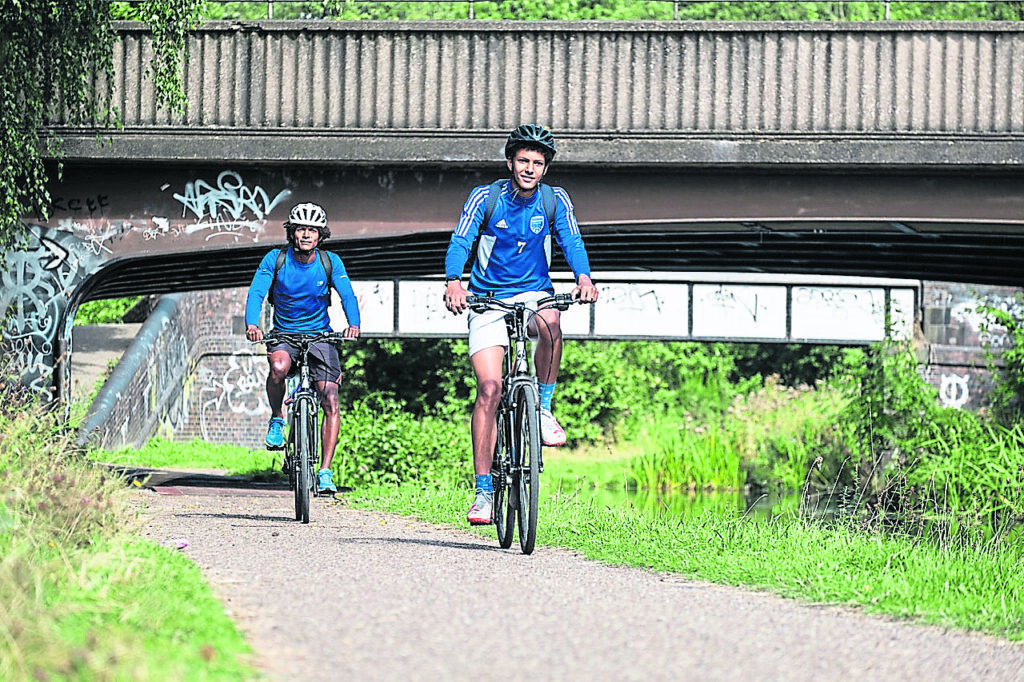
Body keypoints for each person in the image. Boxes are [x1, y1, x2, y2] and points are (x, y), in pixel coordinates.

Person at [443, 124, 599, 525]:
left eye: (538, 163)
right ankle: (482, 493)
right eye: (524, 160)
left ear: (545, 169)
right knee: (490, 389)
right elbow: (461, 241)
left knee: (551, 322)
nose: (530, 168)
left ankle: (543, 408)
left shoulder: (554, 200)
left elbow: (572, 241)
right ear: (510, 162)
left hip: (533, 293)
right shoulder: (486, 197)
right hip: (487, 298)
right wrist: (454, 282)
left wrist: (583, 277)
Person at [244, 201, 361, 494]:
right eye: (301, 229)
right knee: (278, 368)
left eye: (312, 230)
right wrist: (252, 324)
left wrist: (353, 323)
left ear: (321, 234)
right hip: (285, 333)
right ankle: (276, 419)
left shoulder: (330, 261)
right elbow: (257, 292)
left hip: (320, 335)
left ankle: (324, 471)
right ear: (291, 233)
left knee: (330, 397)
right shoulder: (275, 259)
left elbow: (347, 295)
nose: (306, 234)